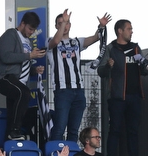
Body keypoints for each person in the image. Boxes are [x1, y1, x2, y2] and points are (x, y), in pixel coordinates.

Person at [97, 19, 148, 156]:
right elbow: (101, 71)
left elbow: (143, 67)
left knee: (133, 131)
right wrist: (108, 66)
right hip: (117, 96)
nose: (131, 31)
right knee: (115, 130)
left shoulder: (136, 48)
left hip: (135, 95)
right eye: (129, 29)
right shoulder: (110, 48)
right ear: (120, 31)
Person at [46, 10, 110, 141]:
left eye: (67, 23)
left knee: (74, 130)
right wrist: (64, 22)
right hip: (62, 90)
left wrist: (101, 27)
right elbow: (56, 40)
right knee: (60, 127)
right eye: (60, 23)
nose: (64, 25)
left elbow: (95, 38)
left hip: (79, 91)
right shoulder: (50, 42)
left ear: (70, 25)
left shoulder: (76, 42)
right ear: (56, 26)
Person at [0, 12, 46, 141]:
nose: (31, 32)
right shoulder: (10, 35)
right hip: (5, 77)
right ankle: (15, 130)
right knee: (24, 94)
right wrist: (29, 56)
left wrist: (34, 70)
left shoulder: (28, 41)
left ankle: (9, 141)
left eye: (33, 30)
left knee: (12, 112)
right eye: (29, 29)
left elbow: (22, 66)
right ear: (22, 24)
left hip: (19, 81)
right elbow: (6, 56)